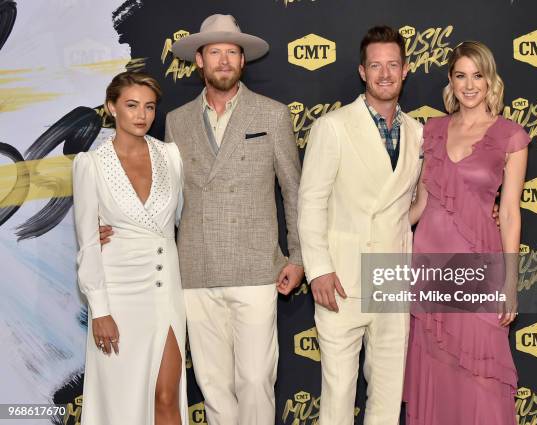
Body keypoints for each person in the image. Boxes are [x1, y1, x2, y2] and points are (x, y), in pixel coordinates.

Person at [97, 14, 303, 425]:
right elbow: (162, 195)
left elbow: (294, 192)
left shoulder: (273, 115)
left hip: (257, 268)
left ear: (243, 61)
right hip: (193, 270)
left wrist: (297, 257)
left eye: (231, 52)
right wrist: (120, 231)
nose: (223, 60)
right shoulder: (176, 121)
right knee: (211, 384)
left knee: (256, 380)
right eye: (214, 52)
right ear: (199, 61)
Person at [298, 26, 423, 424]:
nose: (384, 74)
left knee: (387, 395)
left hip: (390, 275)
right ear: (362, 71)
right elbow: (311, 202)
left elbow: (409, 207)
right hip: (342, 278)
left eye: (392, 65)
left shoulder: (419, 134)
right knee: (337, 395)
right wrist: (318, 269)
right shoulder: (332, 127)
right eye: (375, 65)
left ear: (405, 70)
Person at [403, 41, 529, 425]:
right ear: (451, 81)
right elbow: (422, 205)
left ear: (491, 80)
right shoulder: (433, 130)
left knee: (483, 378)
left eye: (478, 75)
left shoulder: (511, 135)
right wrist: (369, 225)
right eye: (461, 75)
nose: (469, 85)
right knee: (437, 372)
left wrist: (509, 284)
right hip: (429, 268)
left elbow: (508, 214)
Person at [73, 71, 187, 425]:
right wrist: (100, 309)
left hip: (165, 290)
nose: (142, 115)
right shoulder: (90, 164)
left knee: (167, 395)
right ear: (112, 108)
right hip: (118, 295)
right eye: (132, 105)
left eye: (149, 107)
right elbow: (88, 245)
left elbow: (177, 218)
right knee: (123, 406)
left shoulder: (171, 156)